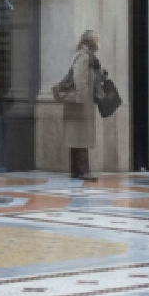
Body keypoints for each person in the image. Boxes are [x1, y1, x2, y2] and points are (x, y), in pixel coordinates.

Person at [52, 29, 105, 182]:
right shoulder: (84, 56)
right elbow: (79, 78)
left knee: (76, 137)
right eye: (96, 40)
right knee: (81, 137)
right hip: (80, 103)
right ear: (90, 41)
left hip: (79, 103)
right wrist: (81, 100)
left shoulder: (85, 56)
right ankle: (84, 171)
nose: (97, 44)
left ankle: (75, 170)